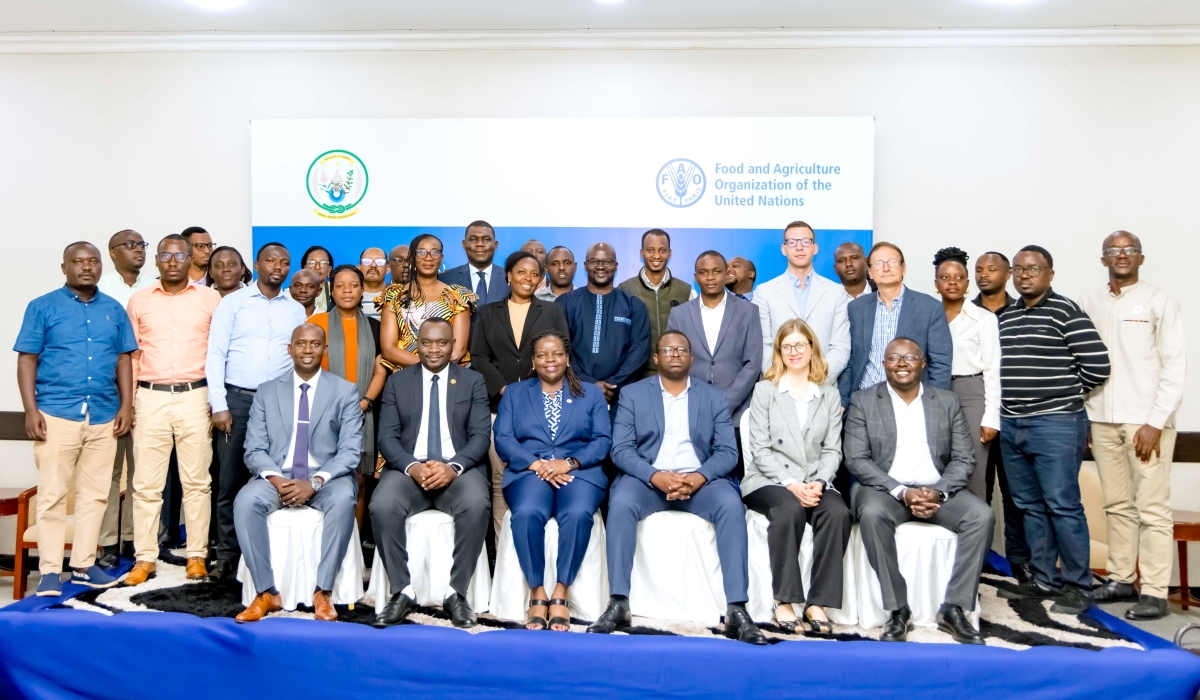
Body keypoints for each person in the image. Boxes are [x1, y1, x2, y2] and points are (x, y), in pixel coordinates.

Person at [589, 331, 766, 645]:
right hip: (648, 483)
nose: (675, 354)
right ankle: (619, 602)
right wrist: (655, 476)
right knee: (621, 502)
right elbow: (621, 450)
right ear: (656, 357)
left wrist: (698, 477)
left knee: (730, 505)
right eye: (668, 350)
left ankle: (737, 608)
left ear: (691, 358)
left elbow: (728, 452)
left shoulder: (712, 397)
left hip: (698, 483)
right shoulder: (633, 394)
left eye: (681, 350)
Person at [844, 337, 993, 644]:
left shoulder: (947, 401)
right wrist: (901, 491)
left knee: (981, 516)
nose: (901, 363)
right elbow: (856, 459)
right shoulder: (863, 400)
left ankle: (954, 607)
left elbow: (964, 458)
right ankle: (898, 609)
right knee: (871, 514)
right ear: (883, 364)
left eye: (910, 357)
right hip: (885, 490)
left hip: (936, 490)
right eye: (893, 358)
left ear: (923, 364)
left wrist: (938, 492)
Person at [14, 242, 137, 593]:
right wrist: (31, 410)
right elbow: (27, 359)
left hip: (104, 414)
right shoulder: (42, 307)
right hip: (56, 413)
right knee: (52, 495)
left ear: (101, 267)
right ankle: (51, 572)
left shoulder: (114, 309)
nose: (86, 267)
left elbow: (123, 359)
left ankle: (83, 565)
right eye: (78, 262)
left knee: (95, 495)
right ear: (64, 267)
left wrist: (126, 406)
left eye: (93, 261)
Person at [996, 245, 1110, 615]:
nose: (1024, 275)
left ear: (1050, 274)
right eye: (1018, 269)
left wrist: (1064, 395)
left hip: (1056, 423)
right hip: (1012, 423)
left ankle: (1078, 585)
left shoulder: (1066, 311)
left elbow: (1098, 365)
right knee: (1029, 505)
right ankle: (1045, 578)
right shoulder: (1006, 316)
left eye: (1033, 269)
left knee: (1062, 505)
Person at [1079, 232, 1185, 621]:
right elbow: (1081, 361)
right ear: (1103, 259)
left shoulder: (1160, 300)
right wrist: (1085, 417)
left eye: (1129, 250)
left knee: (1152, 508)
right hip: (1101, 419)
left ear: (1141, 257)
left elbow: (1174, 365)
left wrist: (1155, 422)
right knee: (1117, 505)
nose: (1122, 255)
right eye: (1114, 251)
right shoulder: (1088, 302)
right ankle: (1122, 578)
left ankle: (1155, 590)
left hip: (1146, 422)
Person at [232, 324, 363, 623]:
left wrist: (314, 482)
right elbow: (254, 448)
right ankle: (266, 592)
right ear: (290, 349)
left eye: (315, 344)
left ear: (325, 349)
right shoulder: (267, 391)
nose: (307, 349)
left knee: (344, 500)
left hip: (326, 477)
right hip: (277, 474)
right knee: (245, 502)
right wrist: (278, 481)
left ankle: (323, 592)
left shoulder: (345, 391)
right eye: (301, 343)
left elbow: (350, 451)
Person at [371, 319, 491, 629]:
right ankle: (402, 591)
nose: (434, 349)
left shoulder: (472, 380)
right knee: (381, 505)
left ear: (453, 346)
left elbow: (480, 436)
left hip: (457, 469)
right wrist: (413, 467)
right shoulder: (398, 382)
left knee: (476, 504)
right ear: (417, 344)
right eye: (426, 343)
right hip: (410, 470)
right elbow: (386, 437)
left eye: (441, 343)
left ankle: (456, 593)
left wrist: (453, 468)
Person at [494, 330, 612, 631]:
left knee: (577, 513)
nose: (551, 360)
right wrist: (537, 464)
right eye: (543, 355)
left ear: (567, 359)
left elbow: (602, 440)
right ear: (533, 361)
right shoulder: (515, 393)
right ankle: (537, 591)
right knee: (526, 513)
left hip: (579, 471)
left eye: (557, 354)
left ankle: (561, 591)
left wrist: (568, 463)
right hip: (529, 471)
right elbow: (503, 438)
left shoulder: (591, 393)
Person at [122, 235, 222, 585]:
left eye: (180, 255)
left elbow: (218, 353)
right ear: (157, 260)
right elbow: (132, 356)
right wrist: (131, 402)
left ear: (191, 258)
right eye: (166, 255)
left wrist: (216, 400)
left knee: (197, 482)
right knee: (146, 485)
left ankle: (196, 555)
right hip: (151, 397)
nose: (174, 261)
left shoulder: (210, 299)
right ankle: (145, 558)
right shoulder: (139, 300)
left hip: (196, 396)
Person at [205, 243, 307, 582]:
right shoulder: (233, 303)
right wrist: (219, 404)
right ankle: (227, 557)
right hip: (237, 400)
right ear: (257, 265)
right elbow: (216, 354)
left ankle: (264, 552)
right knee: (230, 480)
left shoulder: (296, 309)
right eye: (271, 260)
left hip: (279, 402)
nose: (278, 266)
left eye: (285, 262)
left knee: (273, 475)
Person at [744, 319, 850, 634]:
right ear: (779, 351)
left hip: (814, 478)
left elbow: (832, 450)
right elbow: (760, 450)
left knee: (838, 512)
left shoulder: (829, 394)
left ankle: (818, 603)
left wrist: (819, 482)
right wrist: (792, 484)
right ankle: (785, 601)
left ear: (812, 348)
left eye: (800, 344)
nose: (794, 351)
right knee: (788, 508)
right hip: (769, 480)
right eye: (787, 346)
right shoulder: (765, 390)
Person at [470, 251, 570, 538]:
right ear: (509, 275)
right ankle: (503, 548)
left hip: (543, 405)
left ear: (541, 280)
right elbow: (479, 356)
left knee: (539, 472)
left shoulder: (552, 311)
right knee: (500, 476)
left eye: (535, 274)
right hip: (497, 406)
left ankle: (537, 541)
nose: (528, 278)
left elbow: (562, 353)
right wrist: (505, 388)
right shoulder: (488, 312)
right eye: (522, 272)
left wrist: (529, 391)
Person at [971, 251, 1031, 582]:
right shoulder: (966, 311)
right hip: (975, 414)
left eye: (992, 269)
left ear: (1007, 274)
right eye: (979, 270)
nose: (984, 275)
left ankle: (1019, 560)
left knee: (1016, 493)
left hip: (1016, 416)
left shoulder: (1024, 310)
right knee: (977, 489)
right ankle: (976, 557)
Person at [95, 229, 151, 567]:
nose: (138, 250)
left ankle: (133, 539)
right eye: (130, 245)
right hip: (108, 392)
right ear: (113, 253)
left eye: (141, 245)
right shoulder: (98, 290)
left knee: (142, 473)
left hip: (148, 392)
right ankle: (106, 544)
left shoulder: (155, 287)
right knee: (108, 471)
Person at [839, 242, 952, 407]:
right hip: (865, 401)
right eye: (878, 263)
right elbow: (850, 361)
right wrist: (843, 401)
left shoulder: (929, 307)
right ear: (870, 272)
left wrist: (933, 405)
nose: (885, 268)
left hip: (912, 403)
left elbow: (940, 364)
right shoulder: (856, 308)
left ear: (903, 268)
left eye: (892, 262)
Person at [665, 250, 761, 431]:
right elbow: (672, 362)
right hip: (692, 412)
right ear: (696, 277)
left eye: (717, 271)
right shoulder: (679, 314)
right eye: (703, 272)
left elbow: (753, 363)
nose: (710, 277)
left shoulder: (748, 311)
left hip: (736, 415)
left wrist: (726, 403)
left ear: (726, 274)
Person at [932, 247, 1000, 501]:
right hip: (935, 392)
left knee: (973, 464)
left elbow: (993, 369)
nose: (952, 282)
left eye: (959, 277)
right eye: (945, 277)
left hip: (972, 393)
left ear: (968, 283)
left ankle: (976, 524)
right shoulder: (928, 316)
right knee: (936, 461)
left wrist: (992, 417)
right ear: (936, 284)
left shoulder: (983, 319)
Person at [307, 265, 387, 476]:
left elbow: (380, 371)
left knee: (359, 477)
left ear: (362, 290)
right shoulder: (315, 323)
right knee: (322, 473)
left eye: (353, 285)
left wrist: (364, 403)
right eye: (340, 286)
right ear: (331, 292)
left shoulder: (374, 327)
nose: (347, 291)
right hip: (321, 410)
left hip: (362, 410)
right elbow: (305, 368)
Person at [556, 242, 650, 412]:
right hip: (574, 393)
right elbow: (561, 349)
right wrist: (588, 383)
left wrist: (613, 385)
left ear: (616, 265)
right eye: (594, 261)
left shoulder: (634, 305)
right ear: (585, 265)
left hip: (621, 398)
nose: (600, 266)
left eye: (607, 261)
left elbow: (639, 351)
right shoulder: (566, 303)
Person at [752, 221, 850, 380]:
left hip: (823, 385)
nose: (799, 247)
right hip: (778, 385)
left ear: (815, 248)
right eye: (792, 242)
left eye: (805, 241)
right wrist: (786, 382)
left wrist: (816, 380)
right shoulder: (764, 292)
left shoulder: (836, 292)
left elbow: (840, 346)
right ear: (784, 249)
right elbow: (763, 346)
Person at [378, 234, 476, 372]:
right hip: (405, 376)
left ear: (441, 258)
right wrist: (427, 366)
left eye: (435, 252)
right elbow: (388, 349)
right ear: (412, 257)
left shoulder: (458, 296)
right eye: (421, 252)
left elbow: (459, 349)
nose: (428, 257)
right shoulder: (394, 295)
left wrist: (436, 369)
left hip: (448, 375)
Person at [618, 229, 696, 379]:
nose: (656, 256)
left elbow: (693, 334)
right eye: (650, 250)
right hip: (636, 375)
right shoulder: (625, 289)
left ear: (669, 253)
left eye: (662, 250)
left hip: (676, 374)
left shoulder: (685, 291)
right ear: (641, 253)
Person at [440, 221, 510, 345]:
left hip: (501, 354)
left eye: (486, 239)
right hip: (459, 354)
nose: (480, 244)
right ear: (464, 244)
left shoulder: (511, 278)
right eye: (473, 239)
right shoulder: (445, 279)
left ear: (495, 245)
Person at [299, 245, 335, 313]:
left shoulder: (336, 291)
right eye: (312, 263)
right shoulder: (291, 294)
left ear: (329, 269)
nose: (317, 267)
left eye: (323, 263)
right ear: (304, 267)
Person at [358, 247, 388, 320]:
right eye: (367, 261)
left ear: (387, 268)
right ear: (359, 268)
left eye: (379, 261)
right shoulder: (349, 297)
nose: (373, 265)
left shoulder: (397, 297)